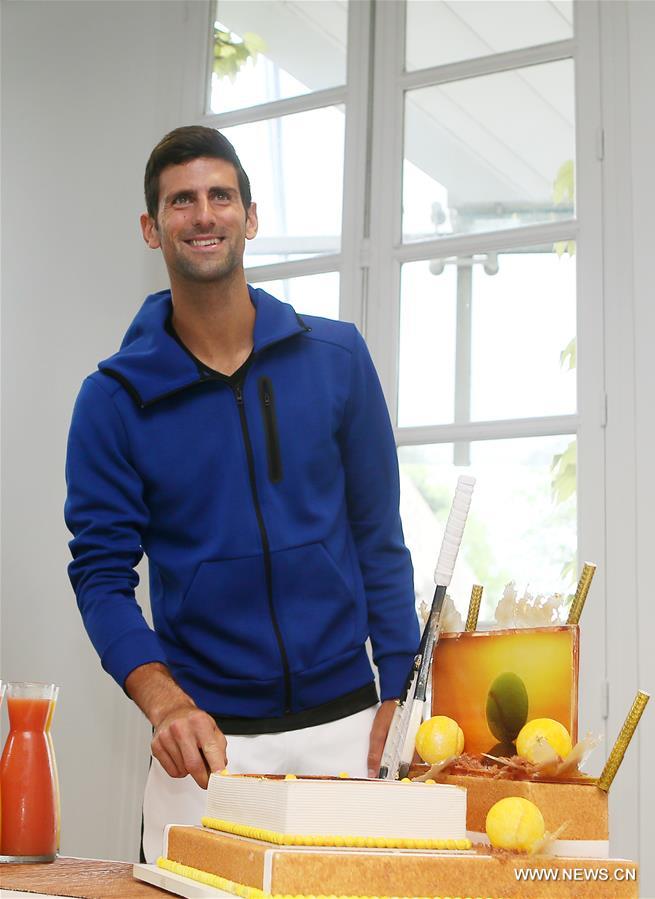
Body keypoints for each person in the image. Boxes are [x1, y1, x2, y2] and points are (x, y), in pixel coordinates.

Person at [65, 125, 419, 863]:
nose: (203, 215)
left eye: (220, 196)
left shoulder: (338, 358)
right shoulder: (112, 399)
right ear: (150, 226)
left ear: (250, 218)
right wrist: (164, 701)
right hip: (206, 748)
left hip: (351, 730)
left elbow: (377, 537)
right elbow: (101, 578)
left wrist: (403, 687)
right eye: (181, 201)